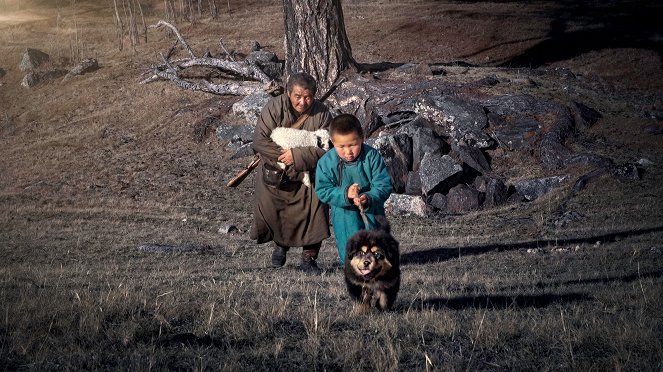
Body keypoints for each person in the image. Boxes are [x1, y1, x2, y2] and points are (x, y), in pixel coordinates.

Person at [250, 72, 332, 274]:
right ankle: (280, 245)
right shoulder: (274, 107)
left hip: (308, 174)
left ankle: (309, 258)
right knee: (273, 208)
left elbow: (327, 146)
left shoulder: (322, 113)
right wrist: (283, 156)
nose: (303, 102)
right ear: (288, 93)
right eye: (298, 96)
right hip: (277, 171)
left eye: (308, 97)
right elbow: (260, 141)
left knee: (316, 209)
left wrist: (297, 156)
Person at [315, 114, 393, 265]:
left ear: (362, 138)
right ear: (332, 142)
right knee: (349, 240)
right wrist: (345, 194)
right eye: (341, 147)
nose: (348, 151)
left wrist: (369, 197)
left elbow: (383, 185)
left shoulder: (372, 156)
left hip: (372, 209)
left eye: (352, 145)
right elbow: (323, 190)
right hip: (344, 213)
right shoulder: (326, 162)